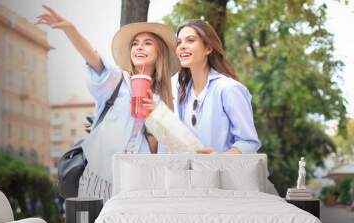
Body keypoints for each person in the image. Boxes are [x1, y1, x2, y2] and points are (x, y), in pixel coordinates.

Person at [35, 5, 179, 201]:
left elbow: (157, 153)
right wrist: (70, 30)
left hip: (139, 182)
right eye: (135, 43)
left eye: (147, 43)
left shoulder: (163, 102)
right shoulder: (117, 81)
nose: (139, 47)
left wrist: (152, 122)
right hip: (100, 176)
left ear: (159, 52)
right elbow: (93, 59)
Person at [174, 19, 261, 154]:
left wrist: (219, 160)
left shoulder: (228, 89)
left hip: (223, 174)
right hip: (189, 174)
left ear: (208, 48)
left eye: (190, 40)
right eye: (179, 42)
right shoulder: (182, 93)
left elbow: (248, 142)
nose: (182, 46)